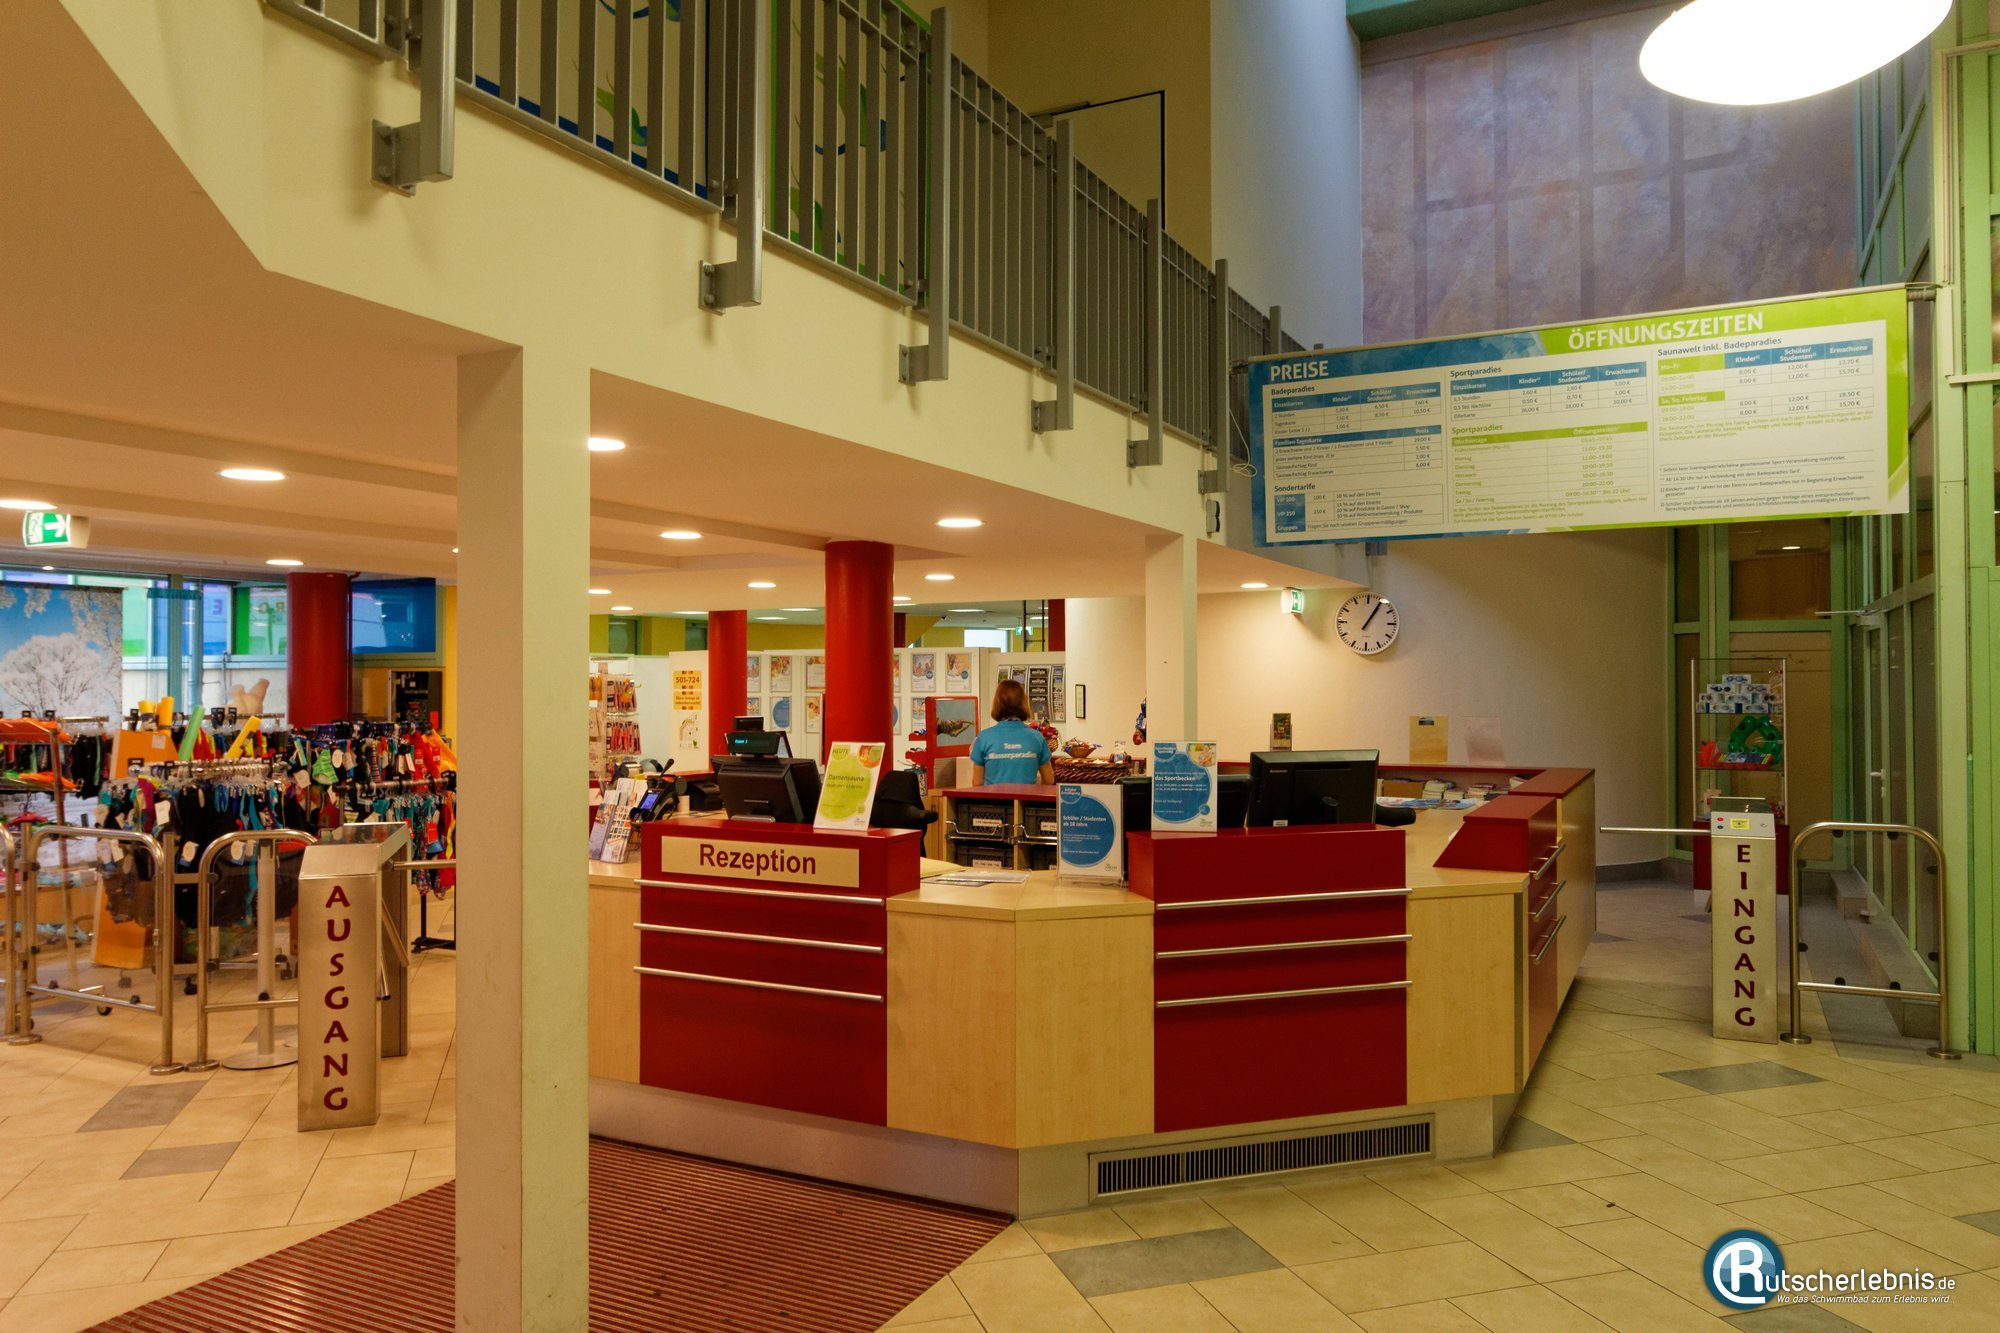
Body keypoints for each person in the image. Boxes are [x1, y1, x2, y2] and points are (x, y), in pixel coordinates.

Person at [969, 680, 1054, 786]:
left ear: (997, 703)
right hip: (1027, 796)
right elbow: (1049, 779)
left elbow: (977, 783)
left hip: (993, 796)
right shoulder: (1037, 738)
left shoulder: (984, 738)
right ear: (1023, 703)